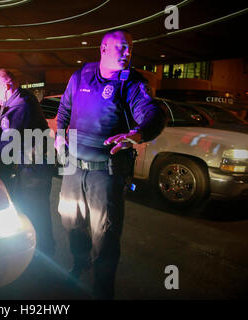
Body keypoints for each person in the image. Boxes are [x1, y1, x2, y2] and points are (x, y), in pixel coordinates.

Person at [55, 29, 167, 299]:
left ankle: (102, 291)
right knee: (70, 221)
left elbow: (152, 113)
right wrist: (59, 136)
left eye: (130, 48)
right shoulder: (81, 76)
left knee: (104, 237)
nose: (128, 53)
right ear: (103, 49)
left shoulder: (132, 83)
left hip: (106, 174)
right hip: (73, 168)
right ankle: (81, 262)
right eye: (121, 47)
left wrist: (137, 135)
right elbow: (64, 110)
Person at [0, 69, 57, 257]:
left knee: (35, 208)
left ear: (7, 85)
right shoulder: (14, 101)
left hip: (35, 165)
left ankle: (43, 254)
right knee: (27, 206)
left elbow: (8, 142)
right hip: (28, 163)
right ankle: (36, 251)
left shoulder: (21, 105)